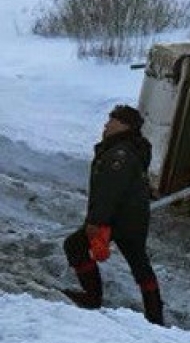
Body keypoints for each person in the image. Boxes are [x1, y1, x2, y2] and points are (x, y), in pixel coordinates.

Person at [62, 104, 164, 325]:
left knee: (74, 245)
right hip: (133, 218)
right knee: (139, 264)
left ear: (124, 126)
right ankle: (155, 315)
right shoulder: (130, 148)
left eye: (112, 121)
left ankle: (92, 297)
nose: (106, 125)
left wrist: (96, 221)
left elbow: (111, 190)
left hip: (119, 218)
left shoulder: (121, 153)